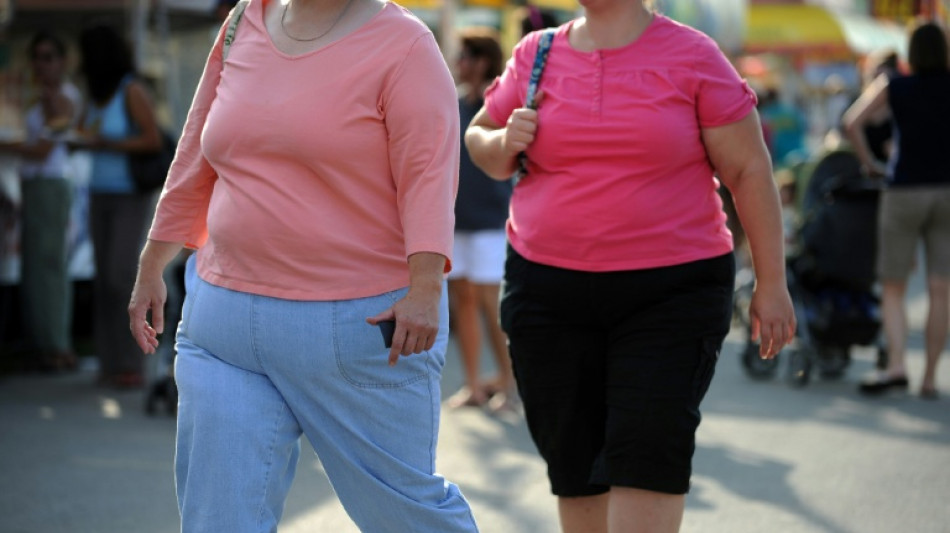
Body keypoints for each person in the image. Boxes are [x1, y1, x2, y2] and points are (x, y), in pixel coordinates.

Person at [127, 1, 478, 531]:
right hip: (223, 327)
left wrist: (426, 287)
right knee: (218, 519)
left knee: (405, 516)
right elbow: (197, 151)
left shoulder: (405, 44)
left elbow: (428, 175)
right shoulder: (243, 21)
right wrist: (154, 259)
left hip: (356, 326)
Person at [464, 0, 796, 531]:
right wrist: (503, 141)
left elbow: (750, 170)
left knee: (648, 457)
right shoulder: (538, 52)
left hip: (670, 294)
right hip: (547, 293)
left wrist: (771, 282)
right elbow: (480, 137)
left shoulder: (693, 55)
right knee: (573, 464)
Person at [843, 22, 950, 400]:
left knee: (893, 287)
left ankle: (897, 366)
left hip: (903, 189)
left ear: (912, 53)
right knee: (941, 289)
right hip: (946, 192)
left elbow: (851, 121)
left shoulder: (895, 85)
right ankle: (931, 377)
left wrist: (872, 162)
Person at [71, 24, 164, 388]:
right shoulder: (94, 95)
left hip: (129, 193)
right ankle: (109, 362)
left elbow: (153, 139)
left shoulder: (132, 90)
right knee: (103, 281)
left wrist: (106, 144)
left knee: (119, 276)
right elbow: (82, 131)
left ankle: (132, 361)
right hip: (99, 192)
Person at [0, 31, 82, 372]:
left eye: (49, 57)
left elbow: (46, 148)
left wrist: (6, 147)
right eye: (38, 57)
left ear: (62, 61)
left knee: (49, 269)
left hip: (49, 184)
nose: (41, 64)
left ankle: (57, 345)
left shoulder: (62, 97)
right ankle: (44, 344)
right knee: (36, 268)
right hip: (35, 185)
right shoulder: (43, 95)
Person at [445, 28, 515, 410]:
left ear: (482, 61)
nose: (458, 64)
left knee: (492, 306)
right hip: (456, 220)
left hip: (492, 220)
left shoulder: (501, 102)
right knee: (464, 304)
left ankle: (508, 384)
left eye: (464, 57)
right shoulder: (453, 103)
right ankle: (473, 386)